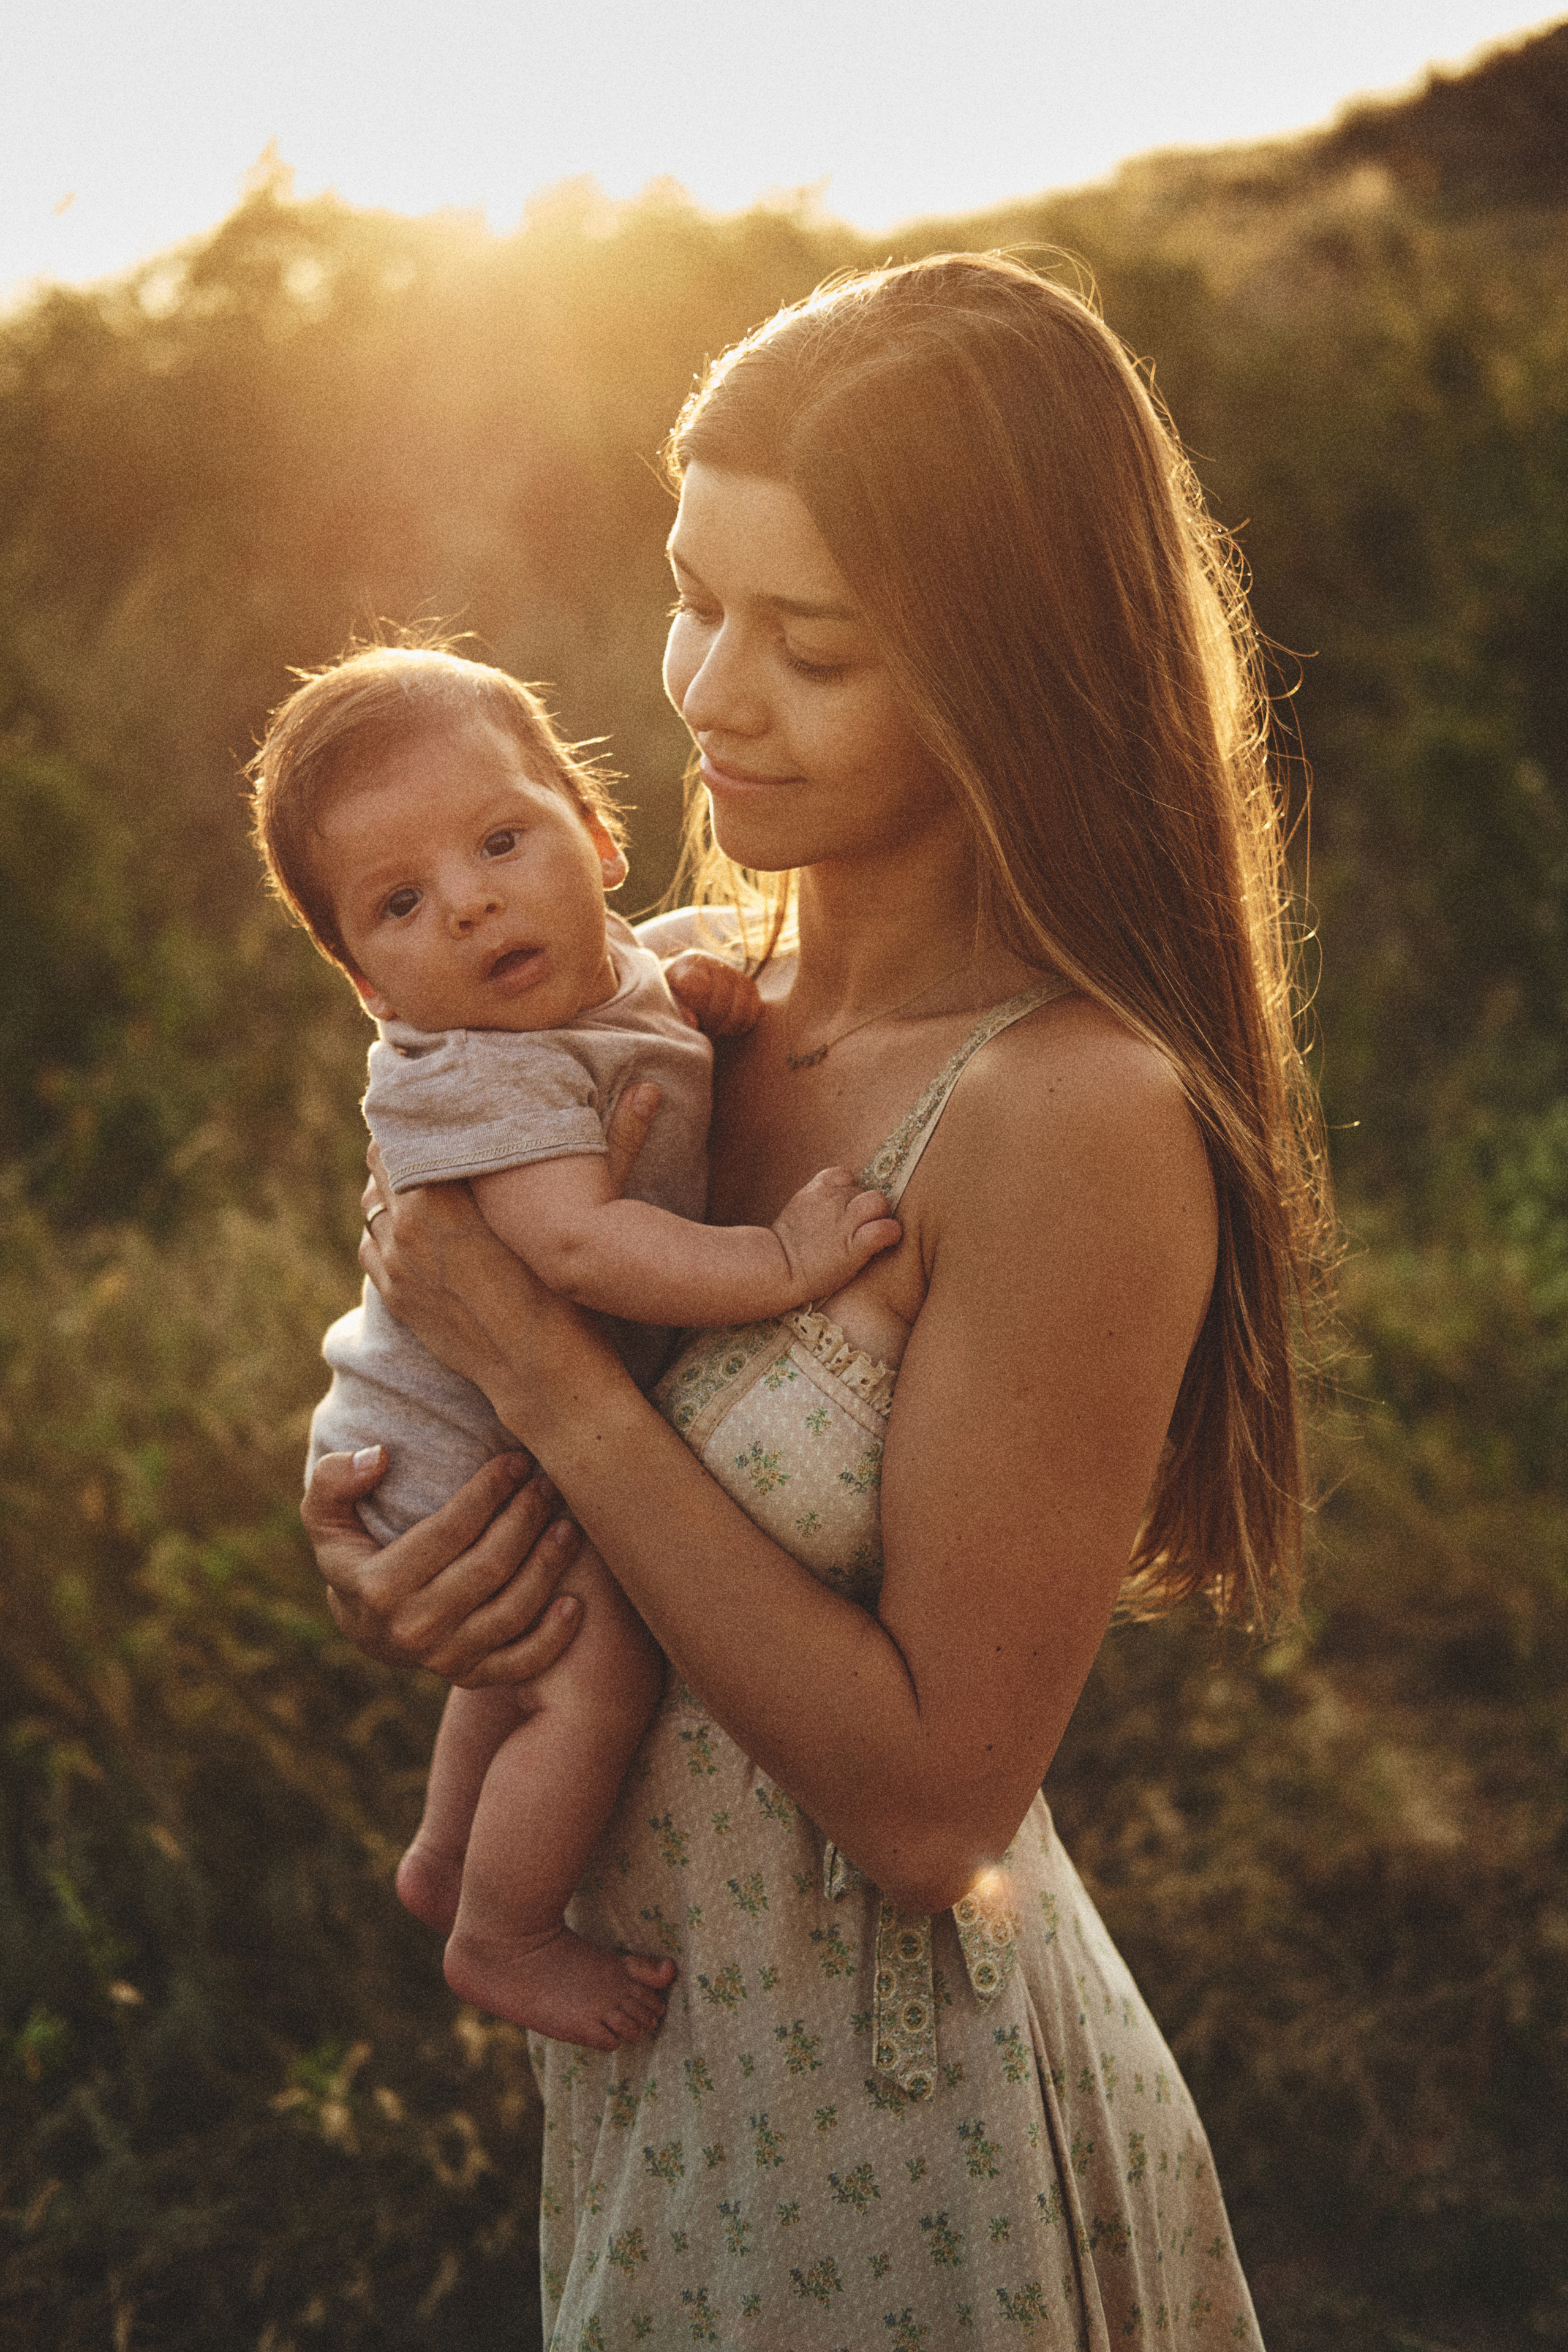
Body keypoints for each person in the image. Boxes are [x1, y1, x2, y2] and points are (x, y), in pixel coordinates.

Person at [303, 253, 1328, 2347]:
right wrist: (419, 1577)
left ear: (1008, 671)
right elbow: (469, 1401)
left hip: (896, 2121)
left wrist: (552, 1387)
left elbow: (935, 1803)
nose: (702, 687)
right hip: (657, 2071)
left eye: (814, 643)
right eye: (693, 591)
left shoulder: (1063, 1111)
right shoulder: (647, 997)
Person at [249, 644, 902, 2049]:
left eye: (500, 840)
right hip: (447, 1446)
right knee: (593, 1671)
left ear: (596, 840)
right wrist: (775, 1263)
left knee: (532, 1658)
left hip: (491, 1427)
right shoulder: (481, 1067)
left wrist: (706, 986)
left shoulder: (607, 975)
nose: (473, 900)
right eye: (403, 903)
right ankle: (501, 1931)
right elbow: (580, 1251)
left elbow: (663, 966)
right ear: (369, 987)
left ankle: (442, 1849)